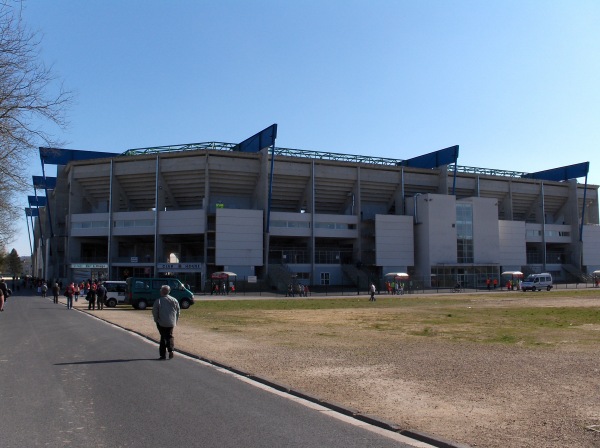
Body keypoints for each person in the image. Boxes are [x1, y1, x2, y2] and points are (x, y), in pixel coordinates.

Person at [152, 284, 180, 360]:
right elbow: (178, 311)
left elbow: (155, 311)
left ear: (162, 291)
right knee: (168, 335)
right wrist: (175, 320)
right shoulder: (174, 300)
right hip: (171, 322)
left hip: (162, 322)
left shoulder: (159, 301)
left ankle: (166, 352)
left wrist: (156, 319)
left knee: (164, 337)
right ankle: (168, 351)